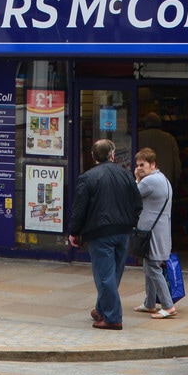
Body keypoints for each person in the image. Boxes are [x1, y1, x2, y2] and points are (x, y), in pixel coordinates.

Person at [68, 138, 139, 329]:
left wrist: (74, 232)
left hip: (100, 233)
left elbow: (79, 209)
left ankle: (113, 317)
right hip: (123, 231)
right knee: (113, 274)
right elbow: (137, 204)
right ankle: (102, 308)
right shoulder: (126, 175)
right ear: (112, 155)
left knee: (105, 275)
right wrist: (130, 222)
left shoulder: (88, 177)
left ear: (92, 156)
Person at [132, 148, 175, 317]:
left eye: (142, 165)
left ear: (153, 164)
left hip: (153, 233)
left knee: (153, 267)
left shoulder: (149, 182)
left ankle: (168, 306)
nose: (139, 168)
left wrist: (136, 179)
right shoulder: (161, 179)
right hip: (158, 231)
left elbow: (132, 196)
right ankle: (150, 303)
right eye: (137, 165)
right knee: (147, 266)